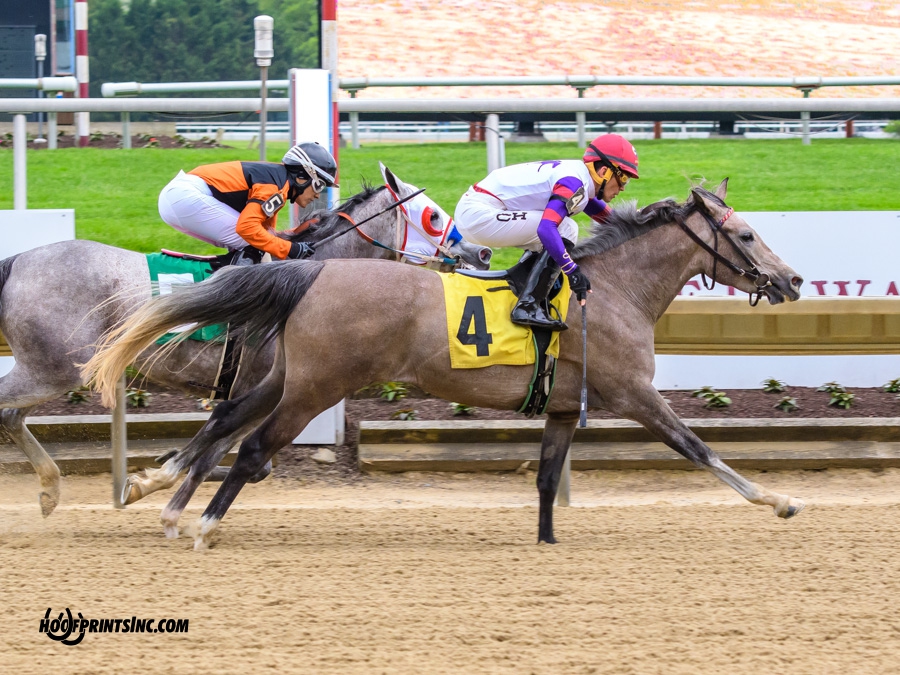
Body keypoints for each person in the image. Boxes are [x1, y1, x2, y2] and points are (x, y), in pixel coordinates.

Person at [454, 133, 639, 330]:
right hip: (478, 214)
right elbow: (546, 229)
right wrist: (572, 270)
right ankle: (527, 306)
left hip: (478, 210)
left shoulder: (579, 180)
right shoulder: (573, 183)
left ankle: (525, 284)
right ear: (604, 171)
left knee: (561, 228)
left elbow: (607, 217)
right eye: (624, 178)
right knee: (565, 228)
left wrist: (637, 225)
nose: (623, 188)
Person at [158, 142, 339, 264]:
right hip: (184, 196)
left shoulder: (279, 184)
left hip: (180, 197)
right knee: (253, 244)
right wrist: (290, 248)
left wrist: (294, 235)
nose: (317, 195)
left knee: (260, 244)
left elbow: (267, 234)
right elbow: (247, 228)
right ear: (301, 176)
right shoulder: (274, 187)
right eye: (319, 186)